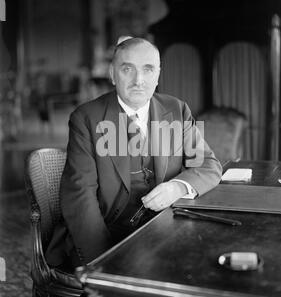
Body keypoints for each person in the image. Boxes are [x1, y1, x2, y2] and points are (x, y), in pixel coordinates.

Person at [45, 37, 222, 271]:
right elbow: (80, 195)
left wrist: (177, 187)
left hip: (163, 232)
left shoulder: (177, 109)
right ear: (112, 73)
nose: (139, 80)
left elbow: (208, 165)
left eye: (148, 70)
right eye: (127, 69)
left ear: (158, 75)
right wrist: (104, 260)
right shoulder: (86, 118)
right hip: (108, 237)